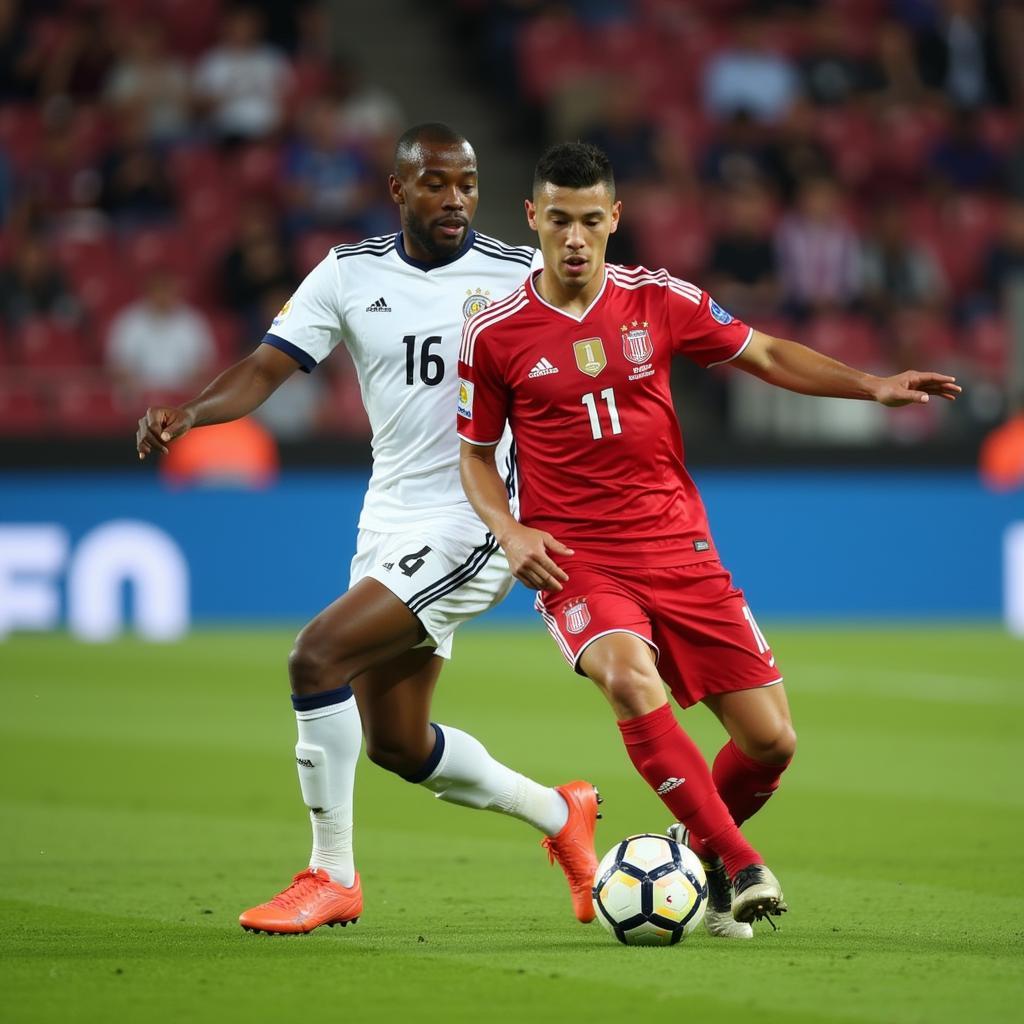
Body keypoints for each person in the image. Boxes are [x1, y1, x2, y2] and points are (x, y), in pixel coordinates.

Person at [457, 142, 960, 938]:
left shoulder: (658, 300)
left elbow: (761, 351)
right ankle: (740, 859)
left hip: (679, 548)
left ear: (616, 218)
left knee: (769, 741)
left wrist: (870, 384)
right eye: (559, 220)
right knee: (628, 679)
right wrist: (509, 528)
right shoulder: (493, 333)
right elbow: (476, 458)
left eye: (592, 220)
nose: (576, 238)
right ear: (533, 219)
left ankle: (693, 855)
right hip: (578, 559)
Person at [135, 123, 599, 935]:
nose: (454, 198)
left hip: (475, 516)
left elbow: (585, 374)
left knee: (317, 656)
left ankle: (330, 874)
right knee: (397, 741)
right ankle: (564, 817)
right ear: (399, 191)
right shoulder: (349, 275)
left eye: (467, 183)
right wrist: (192, 413)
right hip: (389, 517)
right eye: (435, 184)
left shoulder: (521, 275)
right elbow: (266, 366)